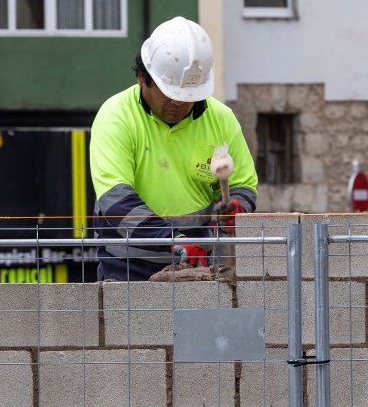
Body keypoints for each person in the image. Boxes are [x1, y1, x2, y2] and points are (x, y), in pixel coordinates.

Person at [90, 17, 258, 281]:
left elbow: (243, 184)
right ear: (142, 78)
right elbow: (116, 199)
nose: (180, 103)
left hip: (199, 264)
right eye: (171, 93)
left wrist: (238, 207)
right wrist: (172, 238)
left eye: (189, 94)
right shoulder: (116, 116)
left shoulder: (221, 118)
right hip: (128, 267)